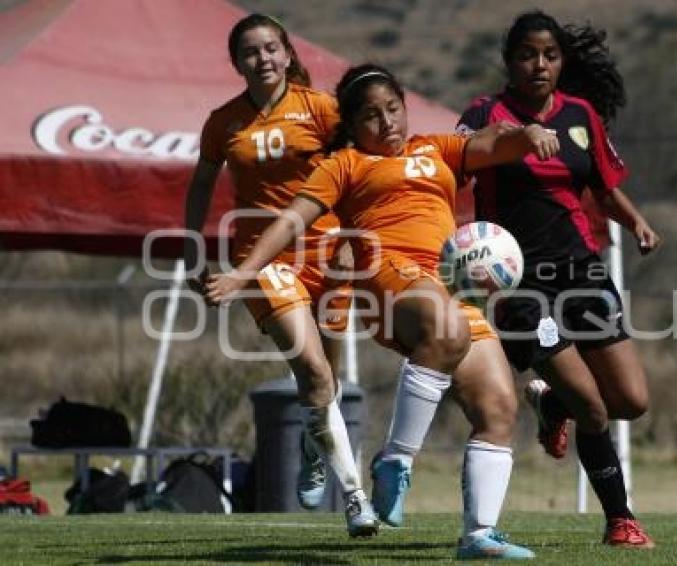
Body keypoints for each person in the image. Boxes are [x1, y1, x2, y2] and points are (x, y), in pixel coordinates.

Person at [206, 63, 560, 559]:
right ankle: (394, 461)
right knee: (446, 326)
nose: (387, 122)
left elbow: (495, 140)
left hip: (447, 286)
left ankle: (478, 535)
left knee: (498, 408)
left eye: (393, 109)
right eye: (371, 115)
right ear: (351, 125)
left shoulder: (435, 151)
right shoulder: (343, 165)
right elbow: (291, 221)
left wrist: (530, 133)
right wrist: (245, 272)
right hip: (387, 275)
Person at [457, 10, 659, 548]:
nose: (538, 64)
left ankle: (551, 404)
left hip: (583, 270)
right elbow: (455, 163)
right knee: (592, 406)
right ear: (509, 61)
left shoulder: (580, 114)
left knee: (632, 401)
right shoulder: (484, 113)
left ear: (561, 60)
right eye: (527, 54)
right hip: (520, 286)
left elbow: (604, 186)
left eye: (549, 54)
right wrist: (517, 138)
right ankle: (621, 520)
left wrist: (636, 221)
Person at [182, 14, 378, 536]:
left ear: (288, 54)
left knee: (327, 381)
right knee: (312, 373)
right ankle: (356, 497)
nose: (262, 58)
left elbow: (357, 170)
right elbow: (201, 183)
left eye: (271, 48)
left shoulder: (322, 110)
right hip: (264, 260)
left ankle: (314, 443)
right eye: (251, 52)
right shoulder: (223, 122)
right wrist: (190, 244)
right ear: (237, 63)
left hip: (330, 254)